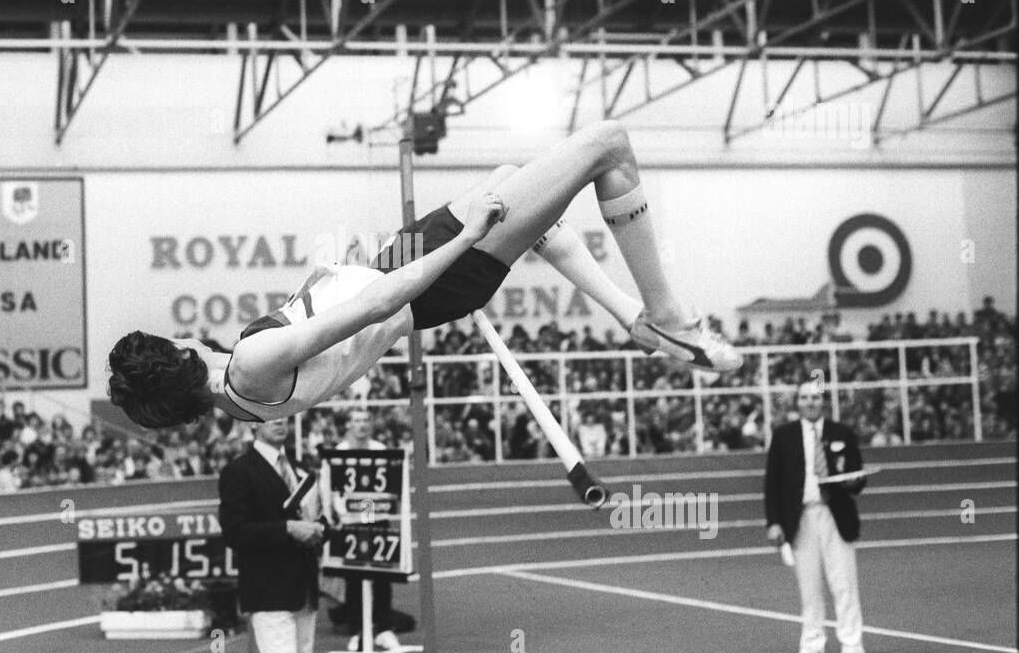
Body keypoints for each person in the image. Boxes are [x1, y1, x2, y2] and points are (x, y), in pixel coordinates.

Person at [109, 121, 743, 457]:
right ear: (175, 353)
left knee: (510, 178)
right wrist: (465, 240)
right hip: (424, 281)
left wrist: (332, 271)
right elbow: (378, 307)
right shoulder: (248, 366)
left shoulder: (241, 393)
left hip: (394, 259)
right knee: (609, 146)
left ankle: (632, 316)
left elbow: (327, 320)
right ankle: (666, 317)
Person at [764, 379, 868, 653]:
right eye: (805, 398)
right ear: (798, 402)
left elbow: (858, 478)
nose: (810, 402)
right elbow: (772, 483)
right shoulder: (783, 436)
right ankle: (811, 647)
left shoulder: (841, 433)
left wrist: (854, 481)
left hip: (836, 516)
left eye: (816, 397)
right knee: (809, 588)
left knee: (844, 585)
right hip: (801, 518)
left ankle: (852, 648)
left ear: (824, 401)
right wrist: (774, 522)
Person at [218, 417, 324, 653]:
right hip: (268, 588)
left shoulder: (302, 471)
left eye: (284, 416)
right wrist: (287, 528)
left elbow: (319, 520)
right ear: (252, 424)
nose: (279, 421)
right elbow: (234, 532)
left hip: (304, 589)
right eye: (268, 417)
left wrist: (319, 530)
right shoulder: (238, 471)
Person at [328, 408, 413, 641]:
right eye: (357, 420)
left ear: (372, 425)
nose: (362, 424)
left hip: (378, 519)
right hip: (350, 522)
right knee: (354, 580)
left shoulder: (380, 450)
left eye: (366, 420)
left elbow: (389, 488)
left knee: (382, 579)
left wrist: (370, 513)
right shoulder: (339, 453)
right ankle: (358, 630)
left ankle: (384, 628)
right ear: (348, 425)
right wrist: (345, 514)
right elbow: (334, 491)